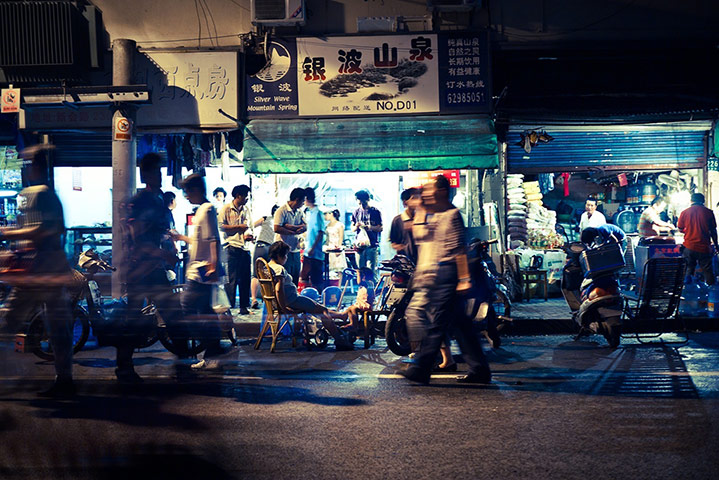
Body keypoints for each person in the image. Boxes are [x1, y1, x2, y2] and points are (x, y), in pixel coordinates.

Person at [0, 145, 75, 397]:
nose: (25, 169)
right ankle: (64, 380)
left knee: (14, 319)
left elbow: (46, 230)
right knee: (54, 326)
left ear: (38, 166)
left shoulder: (43, 194)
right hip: (38, 270)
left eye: (28, 164)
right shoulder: (33, 194)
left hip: (41, 271)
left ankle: (65, 380)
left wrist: (9, 233)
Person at [401, 176, 492, 385]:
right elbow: (418, 237)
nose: (424, 193)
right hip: (433, 275)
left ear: (441, 191)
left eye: (428, 190)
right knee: (461, 325)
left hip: (449, 274)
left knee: (437, 323)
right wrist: (421, 209)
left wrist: (463, 279)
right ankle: (480, 369)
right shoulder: (431, 215)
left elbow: (459, 250)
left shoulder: (452, 215)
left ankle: (421, 368)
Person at [119, 152, 183, 383]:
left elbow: (158, 233)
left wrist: (170, 243)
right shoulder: (141, 201)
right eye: (155, 171)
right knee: (142, 319)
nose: (160, 175)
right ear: (145, 174)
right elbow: (138, 239)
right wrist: (163, 253)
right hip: (141, 269)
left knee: (170, 315)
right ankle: (125, 367)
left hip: (152, 268)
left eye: (160, 171)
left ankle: (182, 361)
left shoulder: (156, 201)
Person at [175, 174, 232, 369]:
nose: (186, 196)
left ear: (197, 190)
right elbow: (201, 241)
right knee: (205, 311)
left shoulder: (207, 209)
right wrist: (182, 237)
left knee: (187, 308)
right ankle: (211, 353)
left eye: (188, 192)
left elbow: (213, 239)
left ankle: (213, 348)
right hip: (200, 268)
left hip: (201, 271)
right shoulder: (201, 210)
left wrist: (213, 266)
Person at [267, 241, 353, 351]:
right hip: (292, 301)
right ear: (279, 256)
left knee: (319, 308)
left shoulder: (267, 267)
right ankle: (339, 340)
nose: (287, 258)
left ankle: (341, 316)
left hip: (284, 301)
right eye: (286, 255)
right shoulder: (279, 269)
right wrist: (283, 307)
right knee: (322, 312)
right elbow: (278, 289)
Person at [220, 185, 253, 315]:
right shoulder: (226, 209)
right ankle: (229, 307)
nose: (247, 199)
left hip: (245, 247)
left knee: (245, 279)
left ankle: (244, 307)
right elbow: (221, 226)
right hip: (231, 247)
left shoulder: (246, 209)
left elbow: (248, 226)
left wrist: (248, 235)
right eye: (246, 196)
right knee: (231, 279)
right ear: (238, 195)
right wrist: (239, 227)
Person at [678, 193, 718, 285]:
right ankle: (711, 294)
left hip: (689, 247)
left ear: (691, 201)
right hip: (704, 248)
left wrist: (688, 231)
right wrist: (716, 246)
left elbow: (680, 228)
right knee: (708, 271)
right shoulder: (709, 212)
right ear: (703, 201)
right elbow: (713, 231)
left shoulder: (684, 212)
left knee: (688, 269)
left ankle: (687, 292)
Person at [274, 188, 307, 284]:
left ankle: (293, 298)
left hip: (295, 250)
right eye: (302, 201)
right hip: (283, 250)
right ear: (297, 199)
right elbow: (276, 228)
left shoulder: (300, 212)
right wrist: (294, 231)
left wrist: (288, 226)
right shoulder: (281, 211)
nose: (303, 203)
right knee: (284, 279)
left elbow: (305, 226)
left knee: (295, 278)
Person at [251, 205, 279, 309]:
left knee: (255, 274)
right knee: (268, 274)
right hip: (272, 247)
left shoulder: (266, 218)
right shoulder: (280, 223)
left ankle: (254, 299)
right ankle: (267, 299)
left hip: (260, 245)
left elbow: (252, 225)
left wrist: (253, 236)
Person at [351, 190, 383, 279]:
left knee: (371, 270)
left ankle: (371, 290)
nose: (361, 204)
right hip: (359, 246)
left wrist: (369, 227)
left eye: (363, 202)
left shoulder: (375, 212)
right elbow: (352, 228)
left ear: (367, 200)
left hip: (372, 245)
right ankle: (361, 289)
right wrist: (357, 226)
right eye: (359, 202)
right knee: (360, 271)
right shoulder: (356, 212)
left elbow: (380, 228)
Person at [300, 187, 325, 292]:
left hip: (315, 253)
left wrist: (313, 248)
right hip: (309, 250)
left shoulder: (318, 213)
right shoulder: (309, 213)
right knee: (304, 276)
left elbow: (320, 232)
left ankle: (318, 300)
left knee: (316, 279)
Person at [389, 187, 421, 263]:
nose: (418, 201)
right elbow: (393, 241)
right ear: (405, 202)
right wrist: (401, 247)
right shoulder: (398, 220)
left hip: (421, 262)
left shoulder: (422, 218)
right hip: (405, 263)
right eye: (414, 198)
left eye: (419, 198)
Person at [324, 209, 347, 276]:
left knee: (339, 269)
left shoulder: (339, 225)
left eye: (326, 214)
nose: (325, 216)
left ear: (331, 214)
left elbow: (341, 237)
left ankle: (338, 286)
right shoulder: (327, 225)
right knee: (330, 269)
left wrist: (338, 248)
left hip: (337, 248)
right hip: (329, 248)